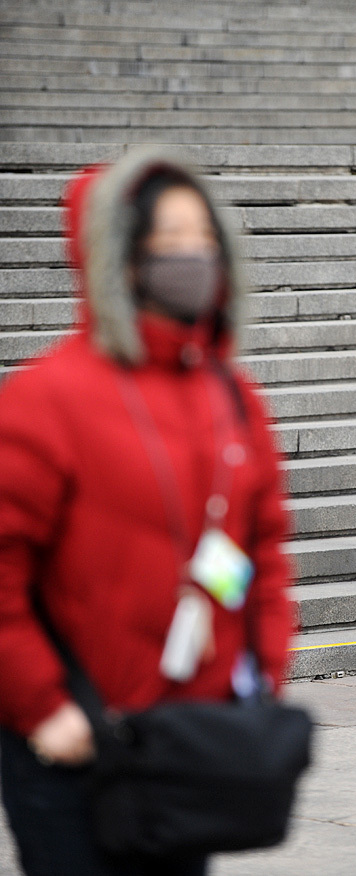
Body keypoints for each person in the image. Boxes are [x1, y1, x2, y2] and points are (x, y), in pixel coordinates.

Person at [0, 148, 294, 875]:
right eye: (168, 240)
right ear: (122, 254)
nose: (190, 255)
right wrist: (44, 708)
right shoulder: (46, 401)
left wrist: (261, 678)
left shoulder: (232, 397)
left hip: (188, 742)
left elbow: (263, 553)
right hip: (73, 744)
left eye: (202, 236)